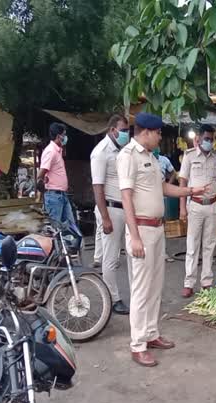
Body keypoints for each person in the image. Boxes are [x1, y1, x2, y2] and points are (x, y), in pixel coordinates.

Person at [118, 112, 209, 367]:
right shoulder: (128, 156)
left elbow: (162, 188)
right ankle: (137, 344)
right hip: (142, 231)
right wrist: (134, 236)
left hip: (157, 230)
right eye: (158, 133)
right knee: (141, 288)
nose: (160, 137)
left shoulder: (151, 157)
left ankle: (151, 333)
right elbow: (126, 198)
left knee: (155, 284)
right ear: (146, 132)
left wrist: (191, 191)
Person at [178, 124, 216, 298]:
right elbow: (182, 183)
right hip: (196, 205)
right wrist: (182, 208)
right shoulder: (189, 156)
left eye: (211, 139)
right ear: (198, 138)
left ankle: (207, 282)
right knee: (192, 246)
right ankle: (188, 283)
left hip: (212, 205)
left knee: (209, 245)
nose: (209, 142)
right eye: (206, 138)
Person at [91, 114, 131, 315]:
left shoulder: (122, 150)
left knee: (130, 253)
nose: (126, 134)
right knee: (111, 257)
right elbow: (97, 187)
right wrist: (105, 218)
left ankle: (130, 295)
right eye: (123, 130)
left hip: (125, 208)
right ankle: (112, 298)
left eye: (127, 130)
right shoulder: (100, 152)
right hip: (111, 209)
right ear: (112, 130)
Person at [38, 122, 76, 228]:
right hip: (54, 196)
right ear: (59, 136)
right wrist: (43, 183)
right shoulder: (51, 151)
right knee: (57, 229)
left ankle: (69, 245)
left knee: (70, 227)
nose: (65, 137)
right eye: (64, 134)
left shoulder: (57, 151)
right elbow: (41, 174)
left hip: (61, 195)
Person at [156, 148, 177, 262]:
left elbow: (173, 173)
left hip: (161, 195)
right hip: (149, 197)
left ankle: (162, 252)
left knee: (161, 223)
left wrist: (168, 185)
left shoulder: (164, 160)